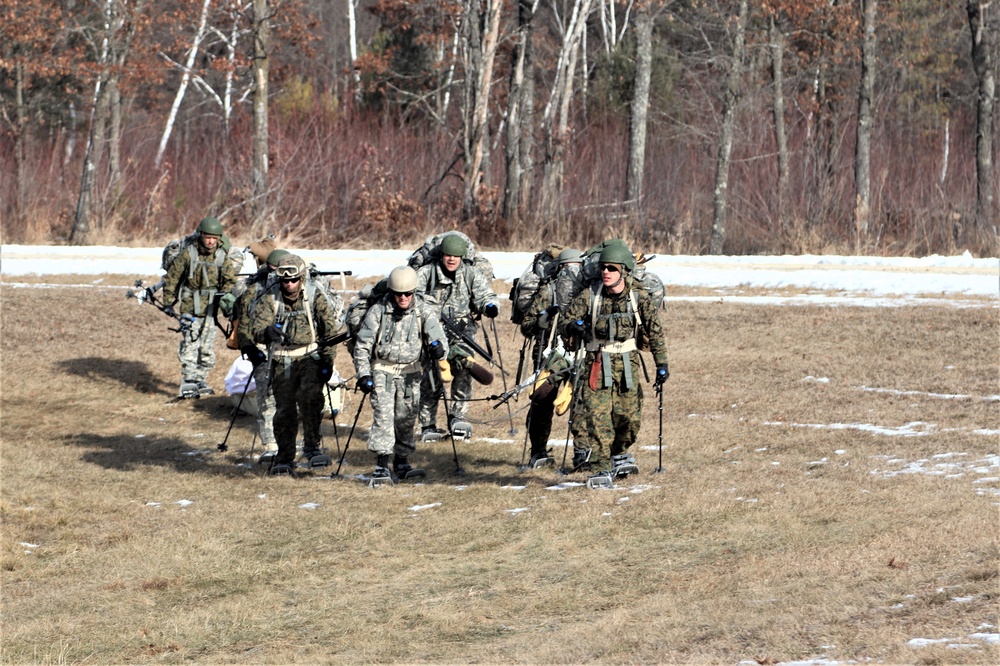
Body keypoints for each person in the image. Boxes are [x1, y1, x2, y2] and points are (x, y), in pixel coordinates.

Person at [559, 240, 669, 487]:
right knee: (598, 418)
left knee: (628, 419)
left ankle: (619, 452)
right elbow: (566, 319)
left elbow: (655, 331)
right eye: (603, 268)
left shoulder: (638, 297)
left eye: (612, 268)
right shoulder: (590, 296)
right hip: (596, 362)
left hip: (628, 363)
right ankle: (600, 466)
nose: (605, 272)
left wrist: (662, 364)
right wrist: (574, 326)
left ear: (624, 271)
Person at [353, 266, 449, 483]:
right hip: (382, 372)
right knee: (384, 418)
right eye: (398, 294)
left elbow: (439, 339)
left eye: (408, 294)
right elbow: (362, 346)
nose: (403, 298)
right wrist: (363, 374)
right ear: (392, 293)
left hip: (411, 373)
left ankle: (402, 461)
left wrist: (439, 349)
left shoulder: (423, 311)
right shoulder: (378, 312)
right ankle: (381, 464)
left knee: (406, 418)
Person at [249, 254, 342, 475]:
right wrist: (266, 332)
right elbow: (256, 328)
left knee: (311, 399)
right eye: (285, 281)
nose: (289, 284)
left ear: (301, 278)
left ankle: (312, 448)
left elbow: (330, 332)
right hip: (282, 360)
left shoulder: (314, 296)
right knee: (285, 410)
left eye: (294, 280)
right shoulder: (269, 299)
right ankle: (285, 456)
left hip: (310, 357)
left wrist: (327, 361)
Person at [415, 233, 499, 440]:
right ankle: (428, 425)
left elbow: (485, 295)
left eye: (456, 256)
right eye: (448, 255)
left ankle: (458, 418)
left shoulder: (470, 273)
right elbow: (413, 296)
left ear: (462, 257)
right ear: (441, 255)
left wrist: (489, 307)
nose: (451, 260)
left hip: (463, 331)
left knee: (463, 371)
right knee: (432, 376)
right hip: (432, 330)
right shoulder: (427, 273)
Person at [518, 248, 582, 467]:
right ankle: (538, 450)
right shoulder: (547, 292)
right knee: (542, 401)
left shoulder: (586, 291)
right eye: (566, 268)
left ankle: (583, 451)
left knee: (581, 401)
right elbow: (526, 326)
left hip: (579, 353)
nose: (571, 273)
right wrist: (542, 320)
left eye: (576, 268)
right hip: (549, 354)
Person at [161, 216, 238, 398]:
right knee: (190, 342)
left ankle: (200, 378)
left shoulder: (221, 256)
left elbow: (230, 281)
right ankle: (189, 379)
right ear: (201, 235)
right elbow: (173, 277)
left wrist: (225, 298)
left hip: (211, 309)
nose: (211, 241)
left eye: (214, 238)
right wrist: (168, 301)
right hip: (190, 305)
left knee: (207, 347)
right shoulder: (189, 253)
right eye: (207, 237)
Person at [232, 248, 288, 463]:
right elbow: (244, 325)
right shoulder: (255, 291)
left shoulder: (297, 289)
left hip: (291, 350)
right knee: (268, 398)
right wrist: (249, 348)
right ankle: (271, 445)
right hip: (263, 350)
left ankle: (290, 443)